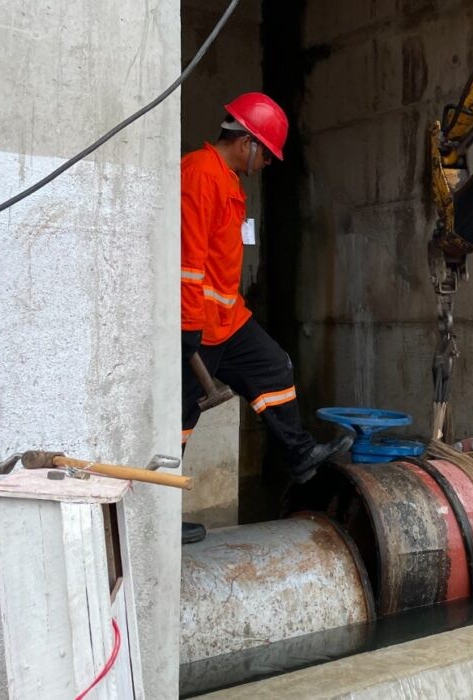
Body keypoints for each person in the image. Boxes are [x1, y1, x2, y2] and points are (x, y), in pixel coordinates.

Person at [180, 93, 350, 544]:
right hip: (199, 325)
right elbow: (188, 260)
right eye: (266, 154)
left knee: (274, 367)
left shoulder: (228, 181)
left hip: (228, 320)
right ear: (246, 143)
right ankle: (156, 517)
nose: (268, 163)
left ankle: (299, 456)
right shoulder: (199, 174)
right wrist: (187, 325)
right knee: (176, 426)